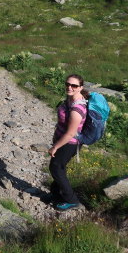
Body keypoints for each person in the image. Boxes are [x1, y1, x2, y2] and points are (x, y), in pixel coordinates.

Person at [48, 74, 88, 211]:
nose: (69, 87)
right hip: (62, 140)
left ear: (80, 88)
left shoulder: (77, 109)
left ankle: (72, 200)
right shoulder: (70, 99)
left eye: (74, 85)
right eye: (67, 84)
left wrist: (55, 146)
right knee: (60, 168)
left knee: (56, 168)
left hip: (69, 143)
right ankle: (56, 194)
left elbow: (71, 133)